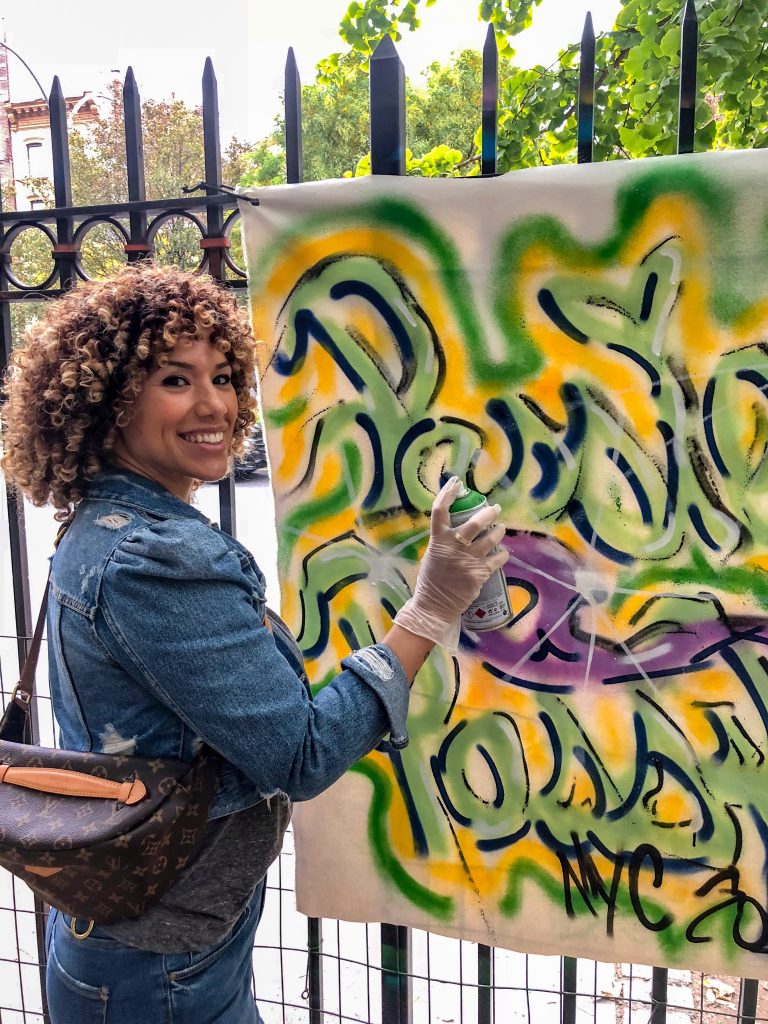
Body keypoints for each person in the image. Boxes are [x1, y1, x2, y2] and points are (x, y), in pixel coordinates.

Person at [0, 262, 508, 1024]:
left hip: (136, 941)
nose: (213, 404)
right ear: (107, 403)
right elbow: (299, 754)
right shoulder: (155, 560)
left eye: (223, 376)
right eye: (175, 379)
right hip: (163, 968)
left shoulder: (103, 524)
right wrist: (431, 607)